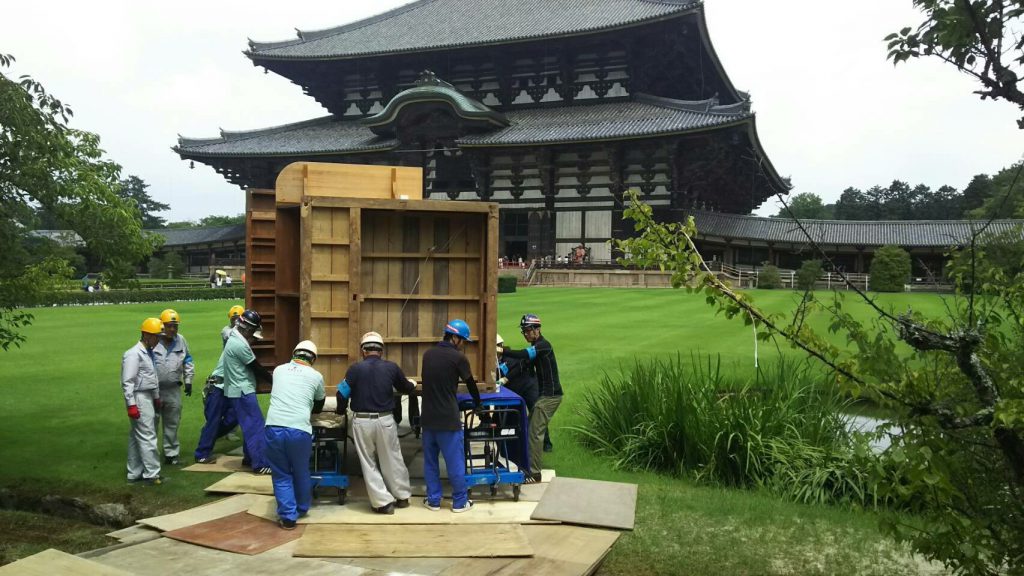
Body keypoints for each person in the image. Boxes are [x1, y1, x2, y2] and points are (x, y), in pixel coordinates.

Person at [336, 332, 416, 515]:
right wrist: (411, 383)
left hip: (362, 421)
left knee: (369, 463)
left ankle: (383, 503)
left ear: (363, 351)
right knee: (393, 459)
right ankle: (402, 496)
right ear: (381, 351)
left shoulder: (354, 369)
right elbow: (406, 387)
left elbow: (342, 394)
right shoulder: (391, 367)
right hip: (386, 420)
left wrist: (340, 412)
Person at [419, 320, 481, 513]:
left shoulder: (428, 355)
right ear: (454, 337)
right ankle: (460, 502)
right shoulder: (458, 358)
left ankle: (434, 501)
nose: (462, 344)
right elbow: (470, 383)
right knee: (454, 462)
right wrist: (478, 404)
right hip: (448, 419)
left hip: (428, 419)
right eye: (462, 340)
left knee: (430, 462)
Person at [264, 340, 325, 530]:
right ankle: (302, 507)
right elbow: (319, 404)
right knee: (301, 471)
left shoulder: (279, 370)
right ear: (313, 359)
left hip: (274, 427)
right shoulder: (316, 376)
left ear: (294, 353)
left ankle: (288, 517)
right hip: (299, 430)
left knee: (281, 474)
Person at [501, 314, 561, 482]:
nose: (526, 334)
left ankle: (534, 474)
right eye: (524, 331)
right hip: (545, 396)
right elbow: (522, 365)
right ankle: (527, 466)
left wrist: (504, 350)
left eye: (528, 330)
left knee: (534, 434)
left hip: (551, 396)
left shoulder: (543, 345)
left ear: (537, 329)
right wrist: (503, 379)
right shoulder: (536, 347)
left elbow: (522, 355)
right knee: (528, 430)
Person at [221, 309, 274, 473]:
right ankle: (260, 464)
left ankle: (249, 458)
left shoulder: (235, 338)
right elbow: (257, 368)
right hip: (242, 391)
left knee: (248, 425)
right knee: (255, 426)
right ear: (249, 328)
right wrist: (276, 381)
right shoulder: (239, 344)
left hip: (237, 390)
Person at [122, 318, 164, 485]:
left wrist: (156, 397)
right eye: (156, 336)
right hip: (139, 397)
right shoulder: (133, 354)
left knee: (136, 437)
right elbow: (128, 382)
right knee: (148, 436)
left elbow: (151, 377)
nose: (158, 340)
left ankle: (134, 472)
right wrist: (131, 404)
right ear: (146, 335)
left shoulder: (148, 352)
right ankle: (152, 474)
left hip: (146, 395)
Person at [153, 309, 194, 466]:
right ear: (162, 325)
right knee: (152, 424)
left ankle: (171, 454)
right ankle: (151, 457)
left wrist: (189, 380)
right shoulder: (153, 340)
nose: (172, 329)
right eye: (169, 326)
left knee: (172, 423)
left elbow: (188, 360)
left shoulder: (181, 340)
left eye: (175, 326)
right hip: (154, 390)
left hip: (173, 389)